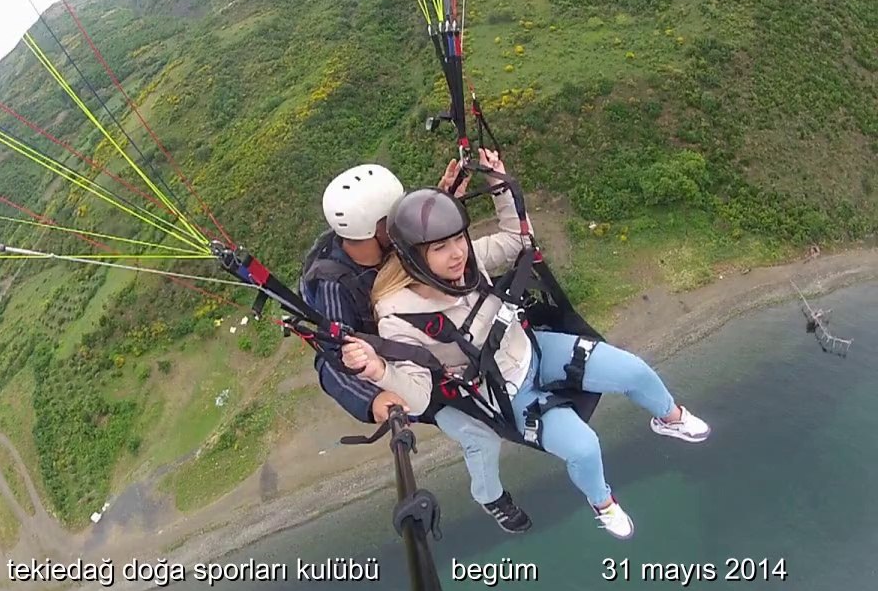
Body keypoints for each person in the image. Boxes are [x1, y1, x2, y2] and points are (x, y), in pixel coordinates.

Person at [340, 149, 710, 540]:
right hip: (503, 395)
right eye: (440, 248)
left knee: (633, 370)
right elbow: (418, 397)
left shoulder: (468, 263)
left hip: (532, 350)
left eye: (458, 240)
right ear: (414, 257)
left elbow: (518, 241)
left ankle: (670, 418)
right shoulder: (399, 315)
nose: (458, 253)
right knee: (584, 447)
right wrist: (378, 370)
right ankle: (603, 503)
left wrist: (499, 184)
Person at [300, 159, 533, 533]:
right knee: (480, 438)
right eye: (394, 219)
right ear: (377, 229)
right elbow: (330, 361)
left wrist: (440, 202)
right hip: (405, 372)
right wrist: (371, 400)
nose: (401, 224)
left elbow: (426, 251)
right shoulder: (332, 285)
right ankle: (491, 497)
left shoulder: (387, 245)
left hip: (441, 341)